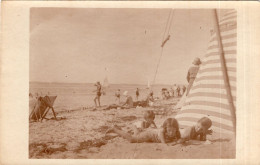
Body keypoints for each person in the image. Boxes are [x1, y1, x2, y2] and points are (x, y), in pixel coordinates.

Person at [106, 118, 181, 144]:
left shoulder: (176, 132)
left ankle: (134, 127)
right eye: (169, 130)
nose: (171, 133)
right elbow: (163, 142)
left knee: (137, 135)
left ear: (176, 129)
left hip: (151, 134)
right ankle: (115, 129)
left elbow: (180, 138)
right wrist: (166, 143)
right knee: (132, 139)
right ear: (165, 128)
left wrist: (180, 140)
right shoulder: (162, 131)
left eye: (173, 131)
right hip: (149, 134)